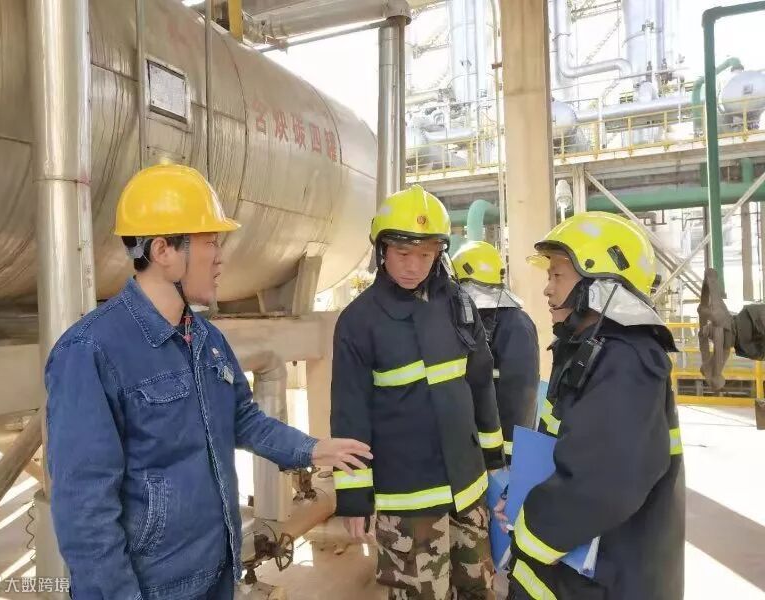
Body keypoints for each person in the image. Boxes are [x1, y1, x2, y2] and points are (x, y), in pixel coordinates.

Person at [45, 164, 371, 599]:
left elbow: (243, 419)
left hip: (217, 572)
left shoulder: (205, 338)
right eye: (209, 242)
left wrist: (311, 449)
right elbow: (86, 510)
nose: (220, 257)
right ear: (163, 250)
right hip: (154, 588)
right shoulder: (91, 351)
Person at [330, 184, 505, 600]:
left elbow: (481, 383)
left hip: (467, 491)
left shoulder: (459, 305)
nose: (413, 266)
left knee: (479, 590)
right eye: (403, 253)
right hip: (407, 501)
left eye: (426, 255)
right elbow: (350, 413)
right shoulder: (358, 321)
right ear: (382, 250)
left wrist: (495, 462)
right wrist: (354, 496)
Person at [498, 211, 685, 600]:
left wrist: (531, 528)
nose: (547, 289)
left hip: (604, 580)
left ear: (600, 287)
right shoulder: (588, 349)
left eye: (557, 275)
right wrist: (520, 494)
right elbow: (563, 447)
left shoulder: (628, 359)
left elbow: (602, 481)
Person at [451, 241, 540, 461]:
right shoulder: (470, 319)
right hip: (476, 449)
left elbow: (520, 399)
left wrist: (505, 458)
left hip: (501, 456)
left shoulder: (516, 325)